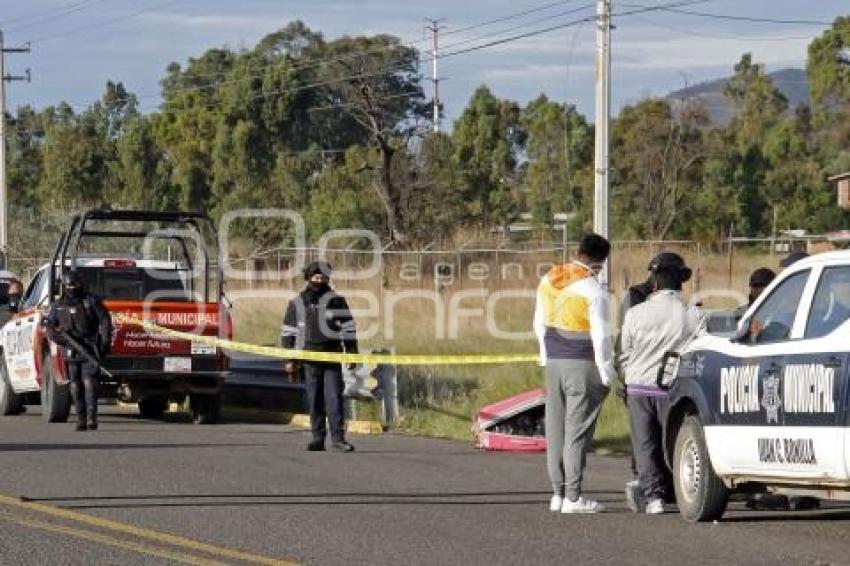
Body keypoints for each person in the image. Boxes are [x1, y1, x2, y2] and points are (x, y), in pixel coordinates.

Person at [534, 233, 615, 514]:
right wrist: (607, 371)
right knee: (577, 432)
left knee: (555, 429)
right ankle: (573, 497)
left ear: (578, 252)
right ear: (599, 261)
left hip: (553, 360)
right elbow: (602, 336)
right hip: (582, 364)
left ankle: (557, 493)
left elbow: (538, 323)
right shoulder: (593, 289)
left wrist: (545, 356)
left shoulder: (549, 278)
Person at [620, 252, 705, 514]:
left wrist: (629, 376)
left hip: (638, 388)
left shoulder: (635, 314)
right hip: (672, 389)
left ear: (654, 282)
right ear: (681, 283)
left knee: (645, 445)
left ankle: (654, 497)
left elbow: (624, 352)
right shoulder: (693, 315)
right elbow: (699, 349)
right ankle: (679, 489)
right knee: (674, 442)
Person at [281, 261, 358, 452]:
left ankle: (338, 439)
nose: (320, 281)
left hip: (331, 357)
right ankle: (317, 438)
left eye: (323, 278)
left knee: (334, 399)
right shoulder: (297, 303)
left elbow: (348, 329)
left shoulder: (337, 301)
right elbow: (288, 333)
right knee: (314, 399)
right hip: (308, 359)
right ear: (308, 278)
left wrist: (351, 352)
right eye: (316, 278)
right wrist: (289, 360)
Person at [45, 271, 112, 431]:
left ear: (80, 284)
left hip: (90, 347)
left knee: (89, 382)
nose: (71, 288)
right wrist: (62, 340)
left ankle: (91, 418)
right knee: (75, 385)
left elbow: (105, 320)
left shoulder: (90, 301)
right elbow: (49, 326)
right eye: (68, 285)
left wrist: (105, 342)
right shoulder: (58, 304)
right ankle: (80, 419)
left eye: (74, 285)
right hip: (70, 350)